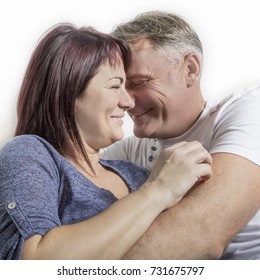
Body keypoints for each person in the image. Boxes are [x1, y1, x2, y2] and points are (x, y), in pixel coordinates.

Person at [0, 23, 212, 260]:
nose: (129, 102)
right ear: (69, 90)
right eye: (115, 86)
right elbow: (31, 263)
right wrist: (157, 191)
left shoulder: (135, 175)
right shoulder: (30, 154)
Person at [102, 11, 260, 259]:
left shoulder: (249, 108)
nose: (125, 101)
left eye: (140, 82)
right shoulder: (126, 152)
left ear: (190, 69)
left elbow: (203, 233)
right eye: (117, 86)